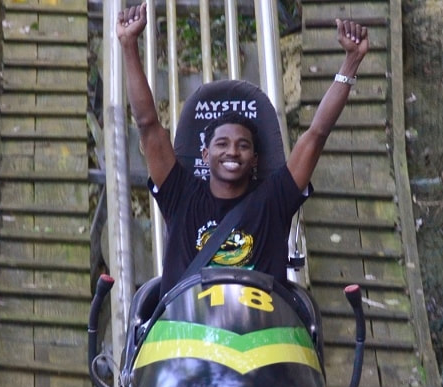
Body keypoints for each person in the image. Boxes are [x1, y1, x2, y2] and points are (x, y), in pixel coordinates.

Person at [117, 1, 369, 297]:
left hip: (259, 337)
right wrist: (129, 44)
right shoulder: (181, 195)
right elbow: (147, 124)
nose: (232, 152)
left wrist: (351, 62)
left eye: (243, 146)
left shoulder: (273, 200)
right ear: (205, 155)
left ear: (255, 159)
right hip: (184, 335)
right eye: (221, 144)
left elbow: (317, 133)